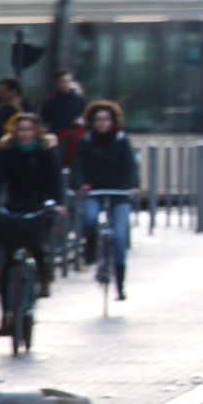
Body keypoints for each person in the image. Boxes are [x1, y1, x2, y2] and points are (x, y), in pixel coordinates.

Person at [0, 114, 65, 332]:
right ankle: (6, 315)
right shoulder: (7, 151)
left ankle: (44, 277)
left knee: (37, 245)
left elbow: (55, 180)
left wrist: (56, 203)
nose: (25, 134)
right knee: (8, 260)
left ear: (36, 132)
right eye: (21, 130)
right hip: (14, 203)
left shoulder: (45, 151)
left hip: (38, 203)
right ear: (15, 132)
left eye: (29, 130)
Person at [70, 101, 138, 301]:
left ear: (113, 121)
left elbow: (131, 166)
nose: (102, 123)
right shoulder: (85, 141)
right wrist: (80, 185)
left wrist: (132, 185)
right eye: (98, 119)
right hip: (95, 191)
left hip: (119, 193)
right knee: (90, 218)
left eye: (106, 119)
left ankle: (120, 284)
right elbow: (78, 167)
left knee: (119, 237)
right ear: (92, 121)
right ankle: (90, 245)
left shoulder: (122, 140)